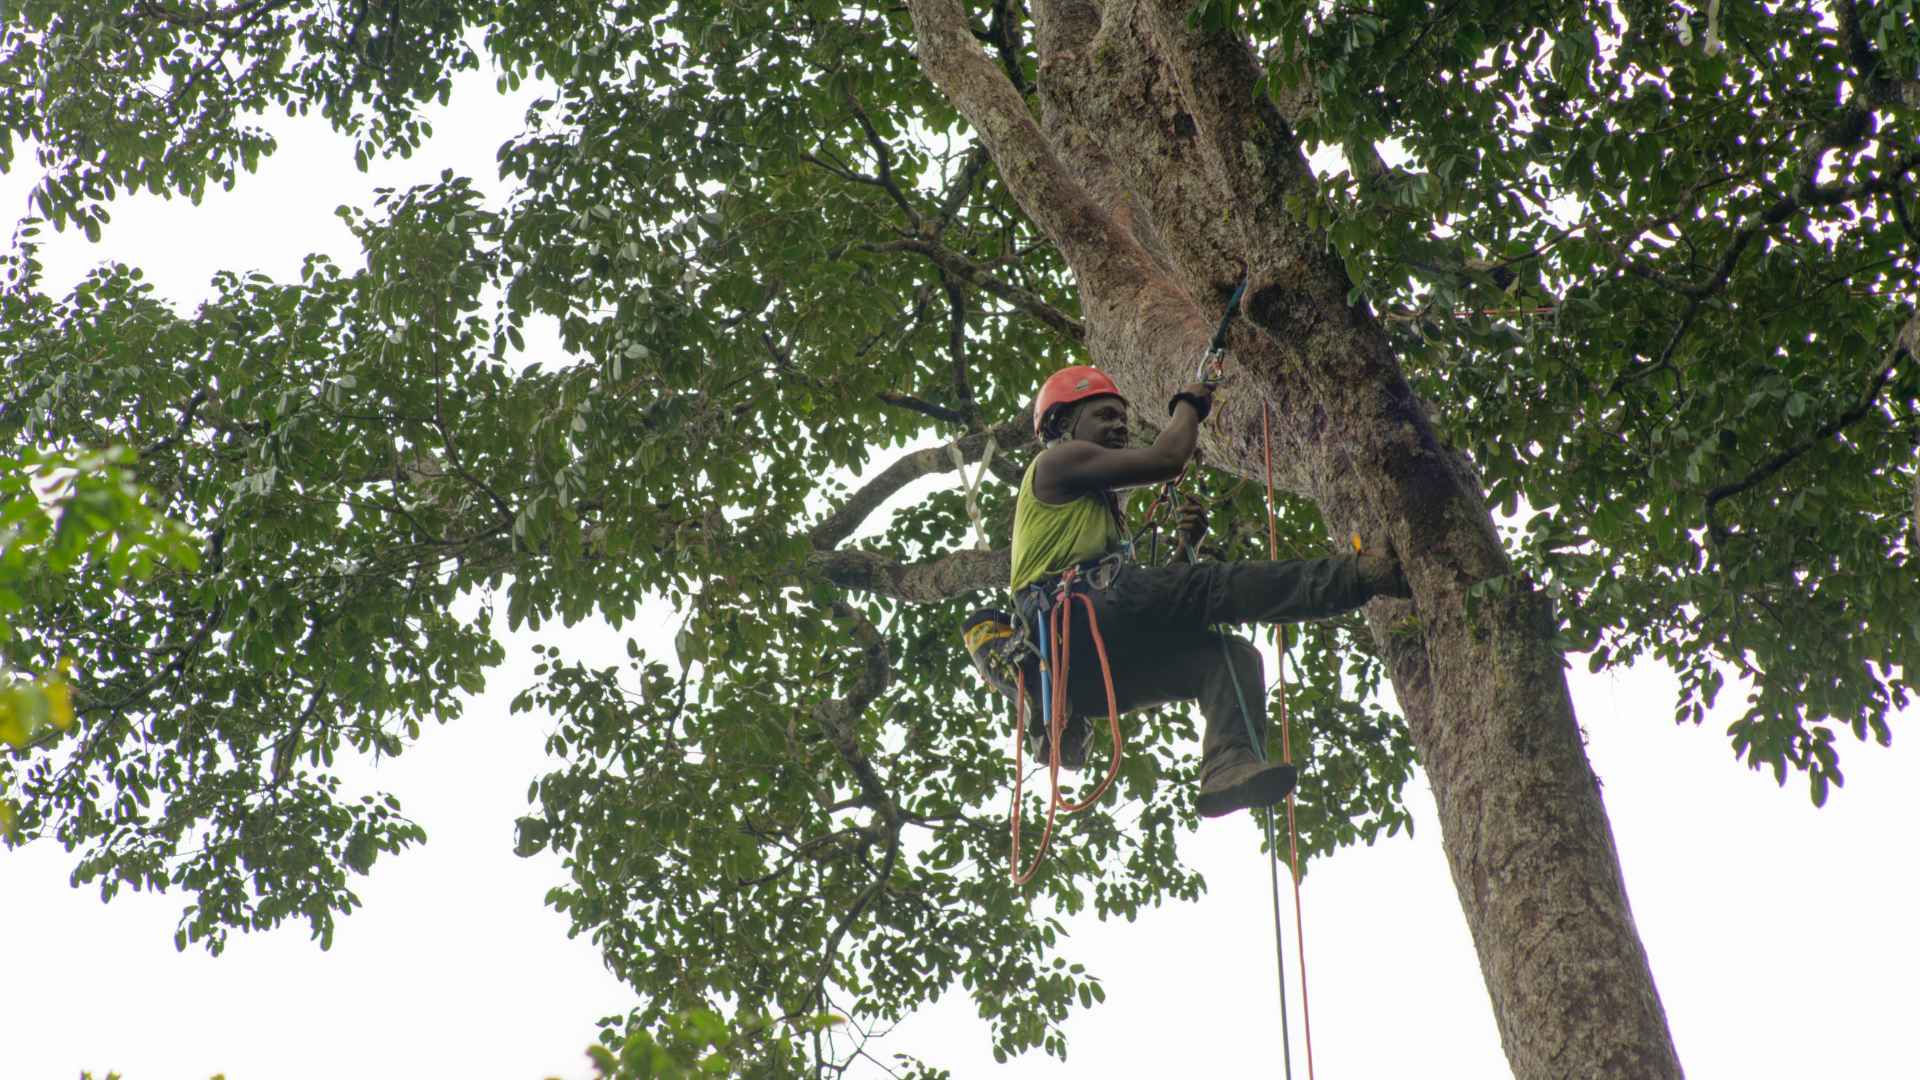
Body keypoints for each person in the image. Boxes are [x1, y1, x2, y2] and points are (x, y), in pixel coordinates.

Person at [1006, 364, 1411, 819]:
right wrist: (1189, 405)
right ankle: (1366, 575)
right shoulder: (1056, 462)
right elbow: (1167, 460)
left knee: (1231, 660)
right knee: (1222, 587)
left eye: (1121, 418)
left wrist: (1186, 550)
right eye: (1104, 416)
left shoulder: (1089, 507)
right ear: (1063, 424)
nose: (1118, 426)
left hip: (1091, 675)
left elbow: (1151, 611)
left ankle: (1227, 765)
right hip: (1076, 620)